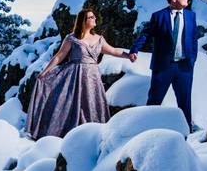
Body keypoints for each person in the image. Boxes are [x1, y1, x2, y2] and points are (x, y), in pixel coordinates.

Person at [26, 8, 133, 139]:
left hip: (92, 77)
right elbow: (59, 56)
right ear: (83, 21)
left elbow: (114, 51)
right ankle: (64, 132)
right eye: (91, 17)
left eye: (94, 17)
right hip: (74, 76)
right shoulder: (72, 38)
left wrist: (129, 56)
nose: (94, 19)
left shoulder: (99, 39)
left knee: (92, 104)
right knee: (70, 104)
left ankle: (92, 134)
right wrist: (45, 71)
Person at [128, 0, 199, 130]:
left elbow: (193, 39)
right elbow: (145, 34)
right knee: (154, 100)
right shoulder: (159, 16)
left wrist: (192, 59)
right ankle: (147, 128)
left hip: (184, 67)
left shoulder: (191, 15)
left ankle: (186, 130)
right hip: (163, 67)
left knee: (185, 102)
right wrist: (135, 49)